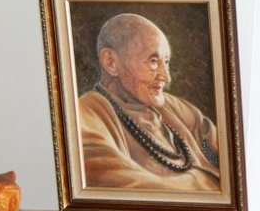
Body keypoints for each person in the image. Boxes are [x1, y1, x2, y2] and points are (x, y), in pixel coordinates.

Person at [78, 13, 222, 192]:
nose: (166, 77)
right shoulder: (86, 114)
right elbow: (131, 188)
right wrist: (210, 184)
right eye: (153, 61)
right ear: (111, 62)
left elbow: (224, 154)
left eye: (166, 62)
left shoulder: (173, 107)